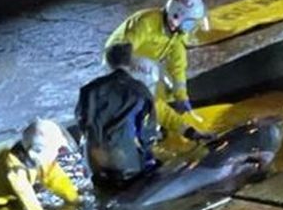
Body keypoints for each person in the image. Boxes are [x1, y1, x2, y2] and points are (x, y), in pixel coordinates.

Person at [77, 44, 212, 191]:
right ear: (129, 63)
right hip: (127, 166)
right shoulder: (139, 90)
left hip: (94, 163)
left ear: (108, 62)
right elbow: (149, 131)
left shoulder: (88, 90)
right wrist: (192, 133)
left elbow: (83, 123)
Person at [105, 0, 208, 115]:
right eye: (190, 22)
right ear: (177, 16)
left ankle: (163, 115)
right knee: (150, 73)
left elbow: (178, 68)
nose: (191, 27)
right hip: (117, 58)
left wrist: (181, 97)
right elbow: (121, 50)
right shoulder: (147, 23)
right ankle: (141, 114)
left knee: (167, 85)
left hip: (141, 60)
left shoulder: (177, 36)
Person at [0, 118, 79, 210]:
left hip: (2, 191)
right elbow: (31, 207)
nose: (57, 153)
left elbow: (55, 178)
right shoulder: (14, 167)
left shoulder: (33, 152)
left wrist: (74, 200)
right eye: (56, 149)